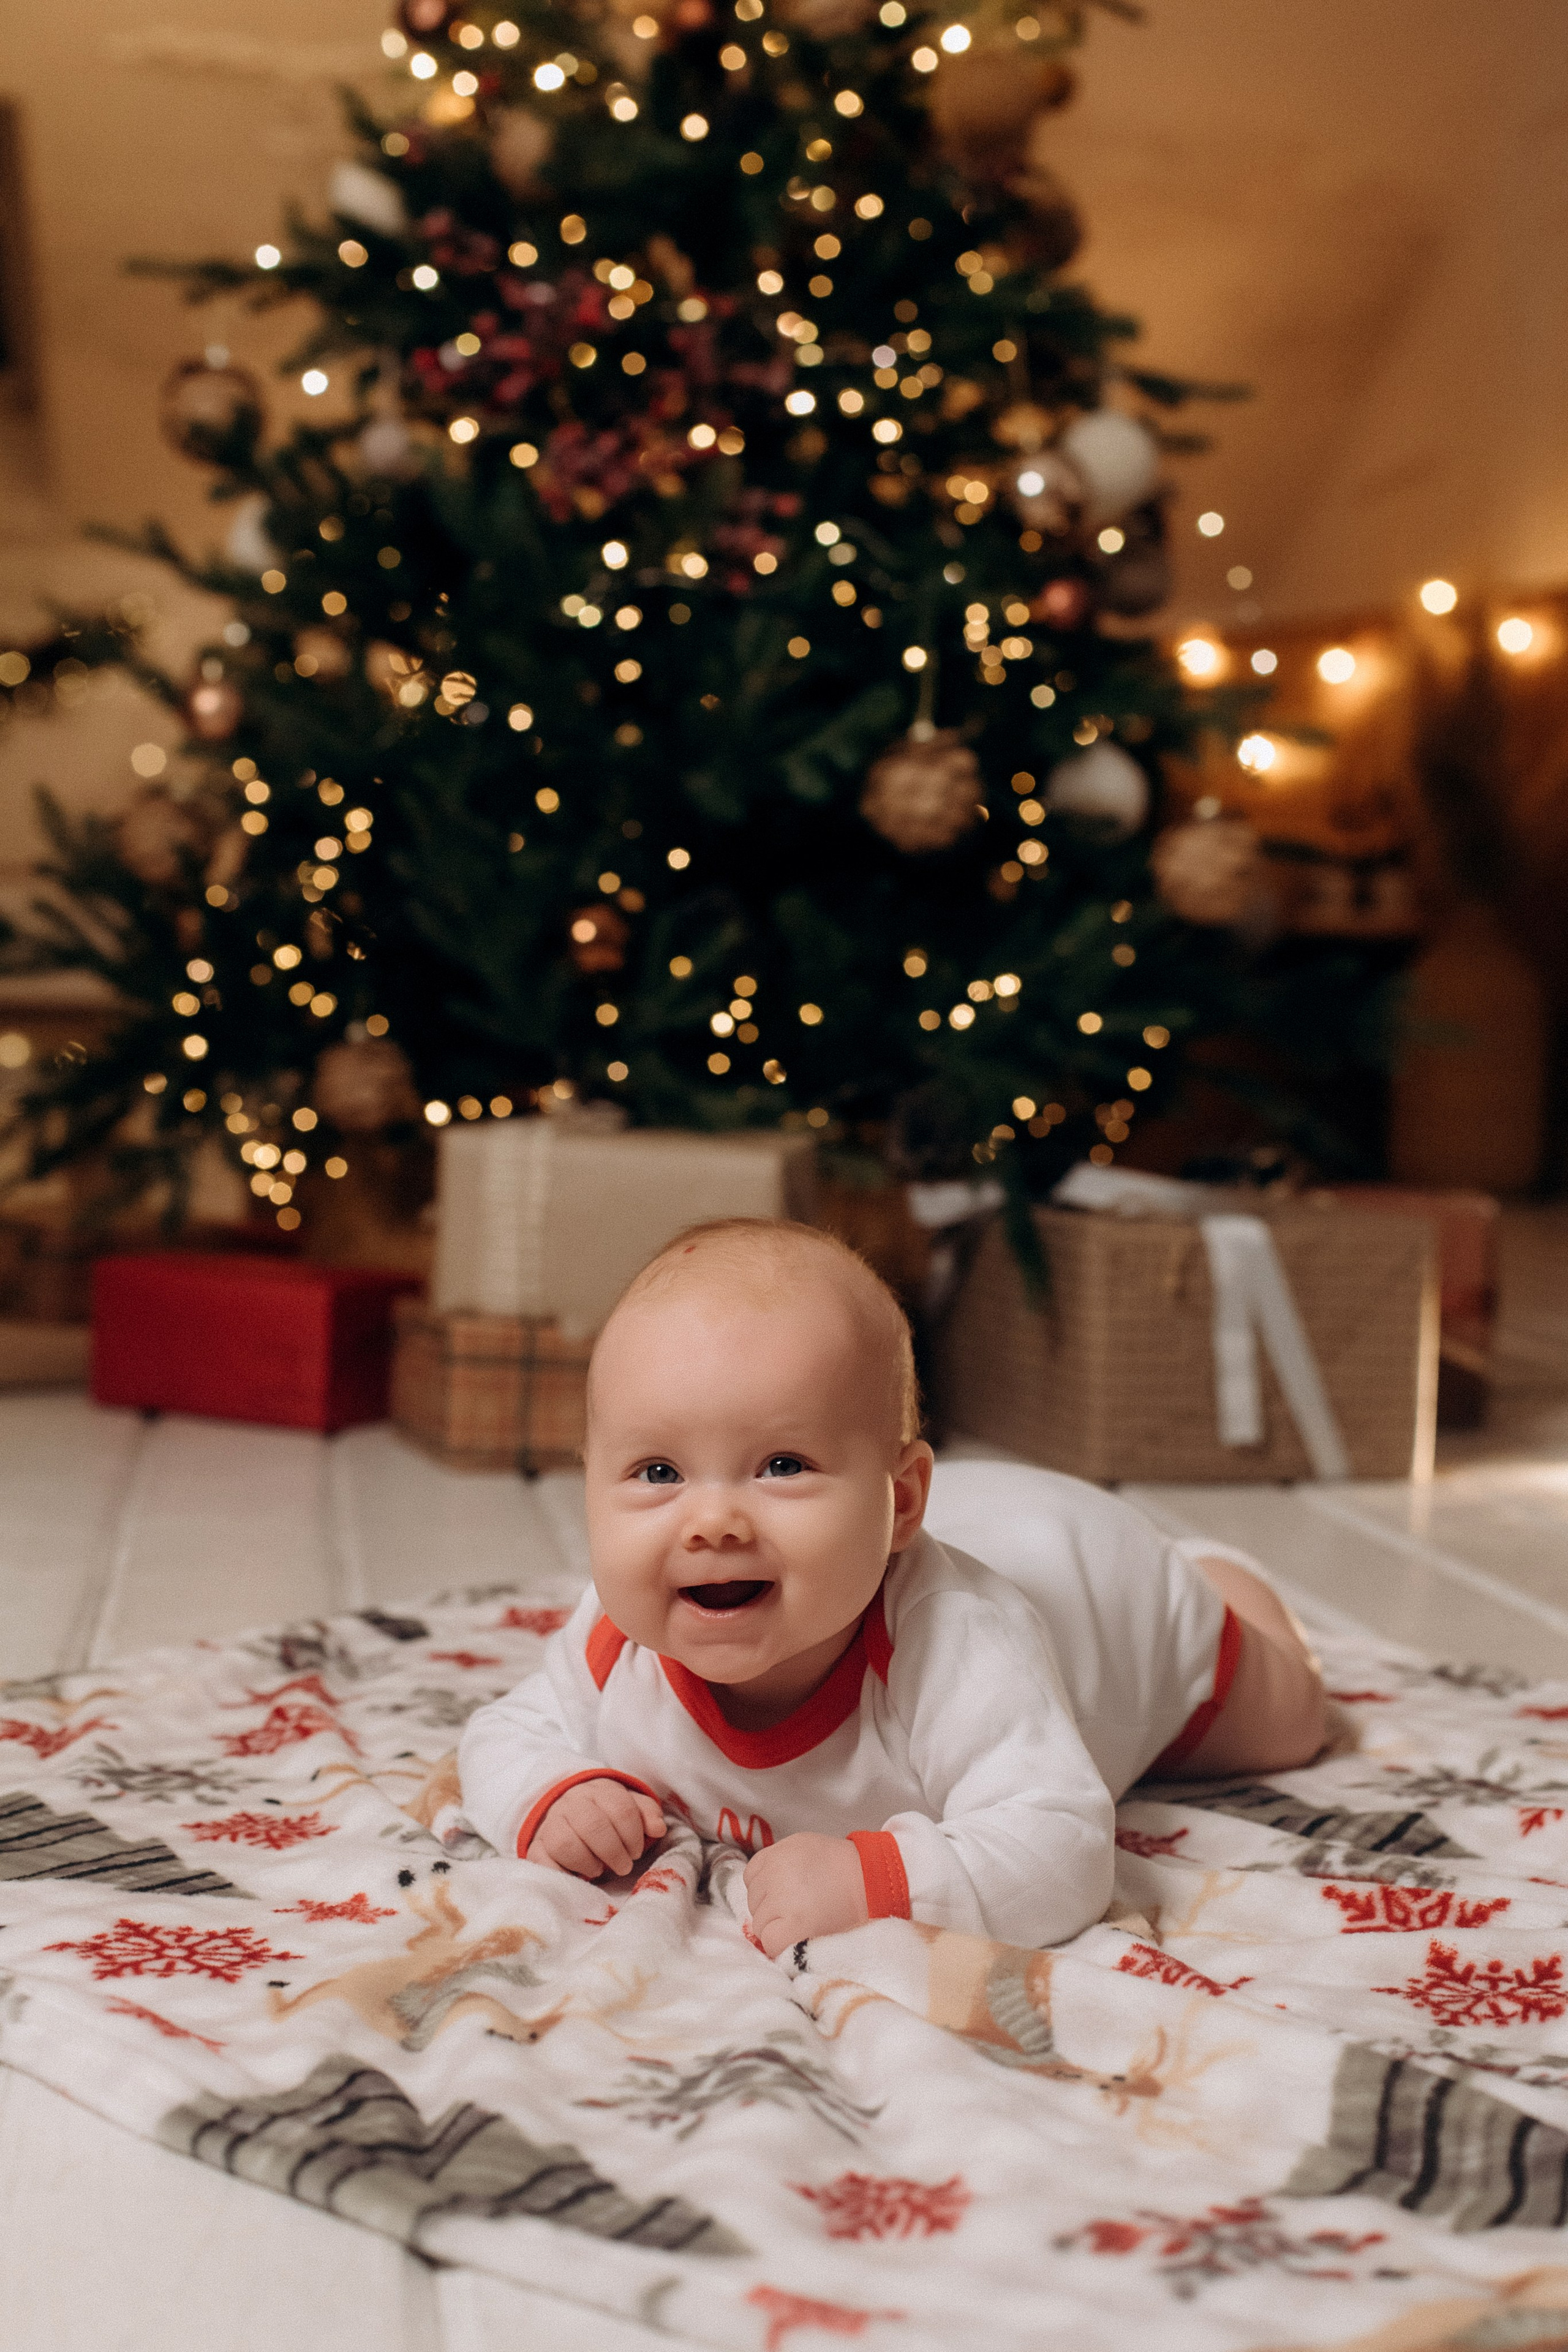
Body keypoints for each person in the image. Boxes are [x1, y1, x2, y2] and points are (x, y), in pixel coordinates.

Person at [458, 1218, 1325, 1957]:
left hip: (1107, 1588)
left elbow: (1063, 1851)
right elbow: (504, 1734)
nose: (711, 1521)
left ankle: (1224, 1575)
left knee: (1293, 1723)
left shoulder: (957, 1644)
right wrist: (555, 1793)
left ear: (899, 1500)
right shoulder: (617, 1640)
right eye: (657, 1471)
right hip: (986, 1524)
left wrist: (877, 1880)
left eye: (782, 1465)